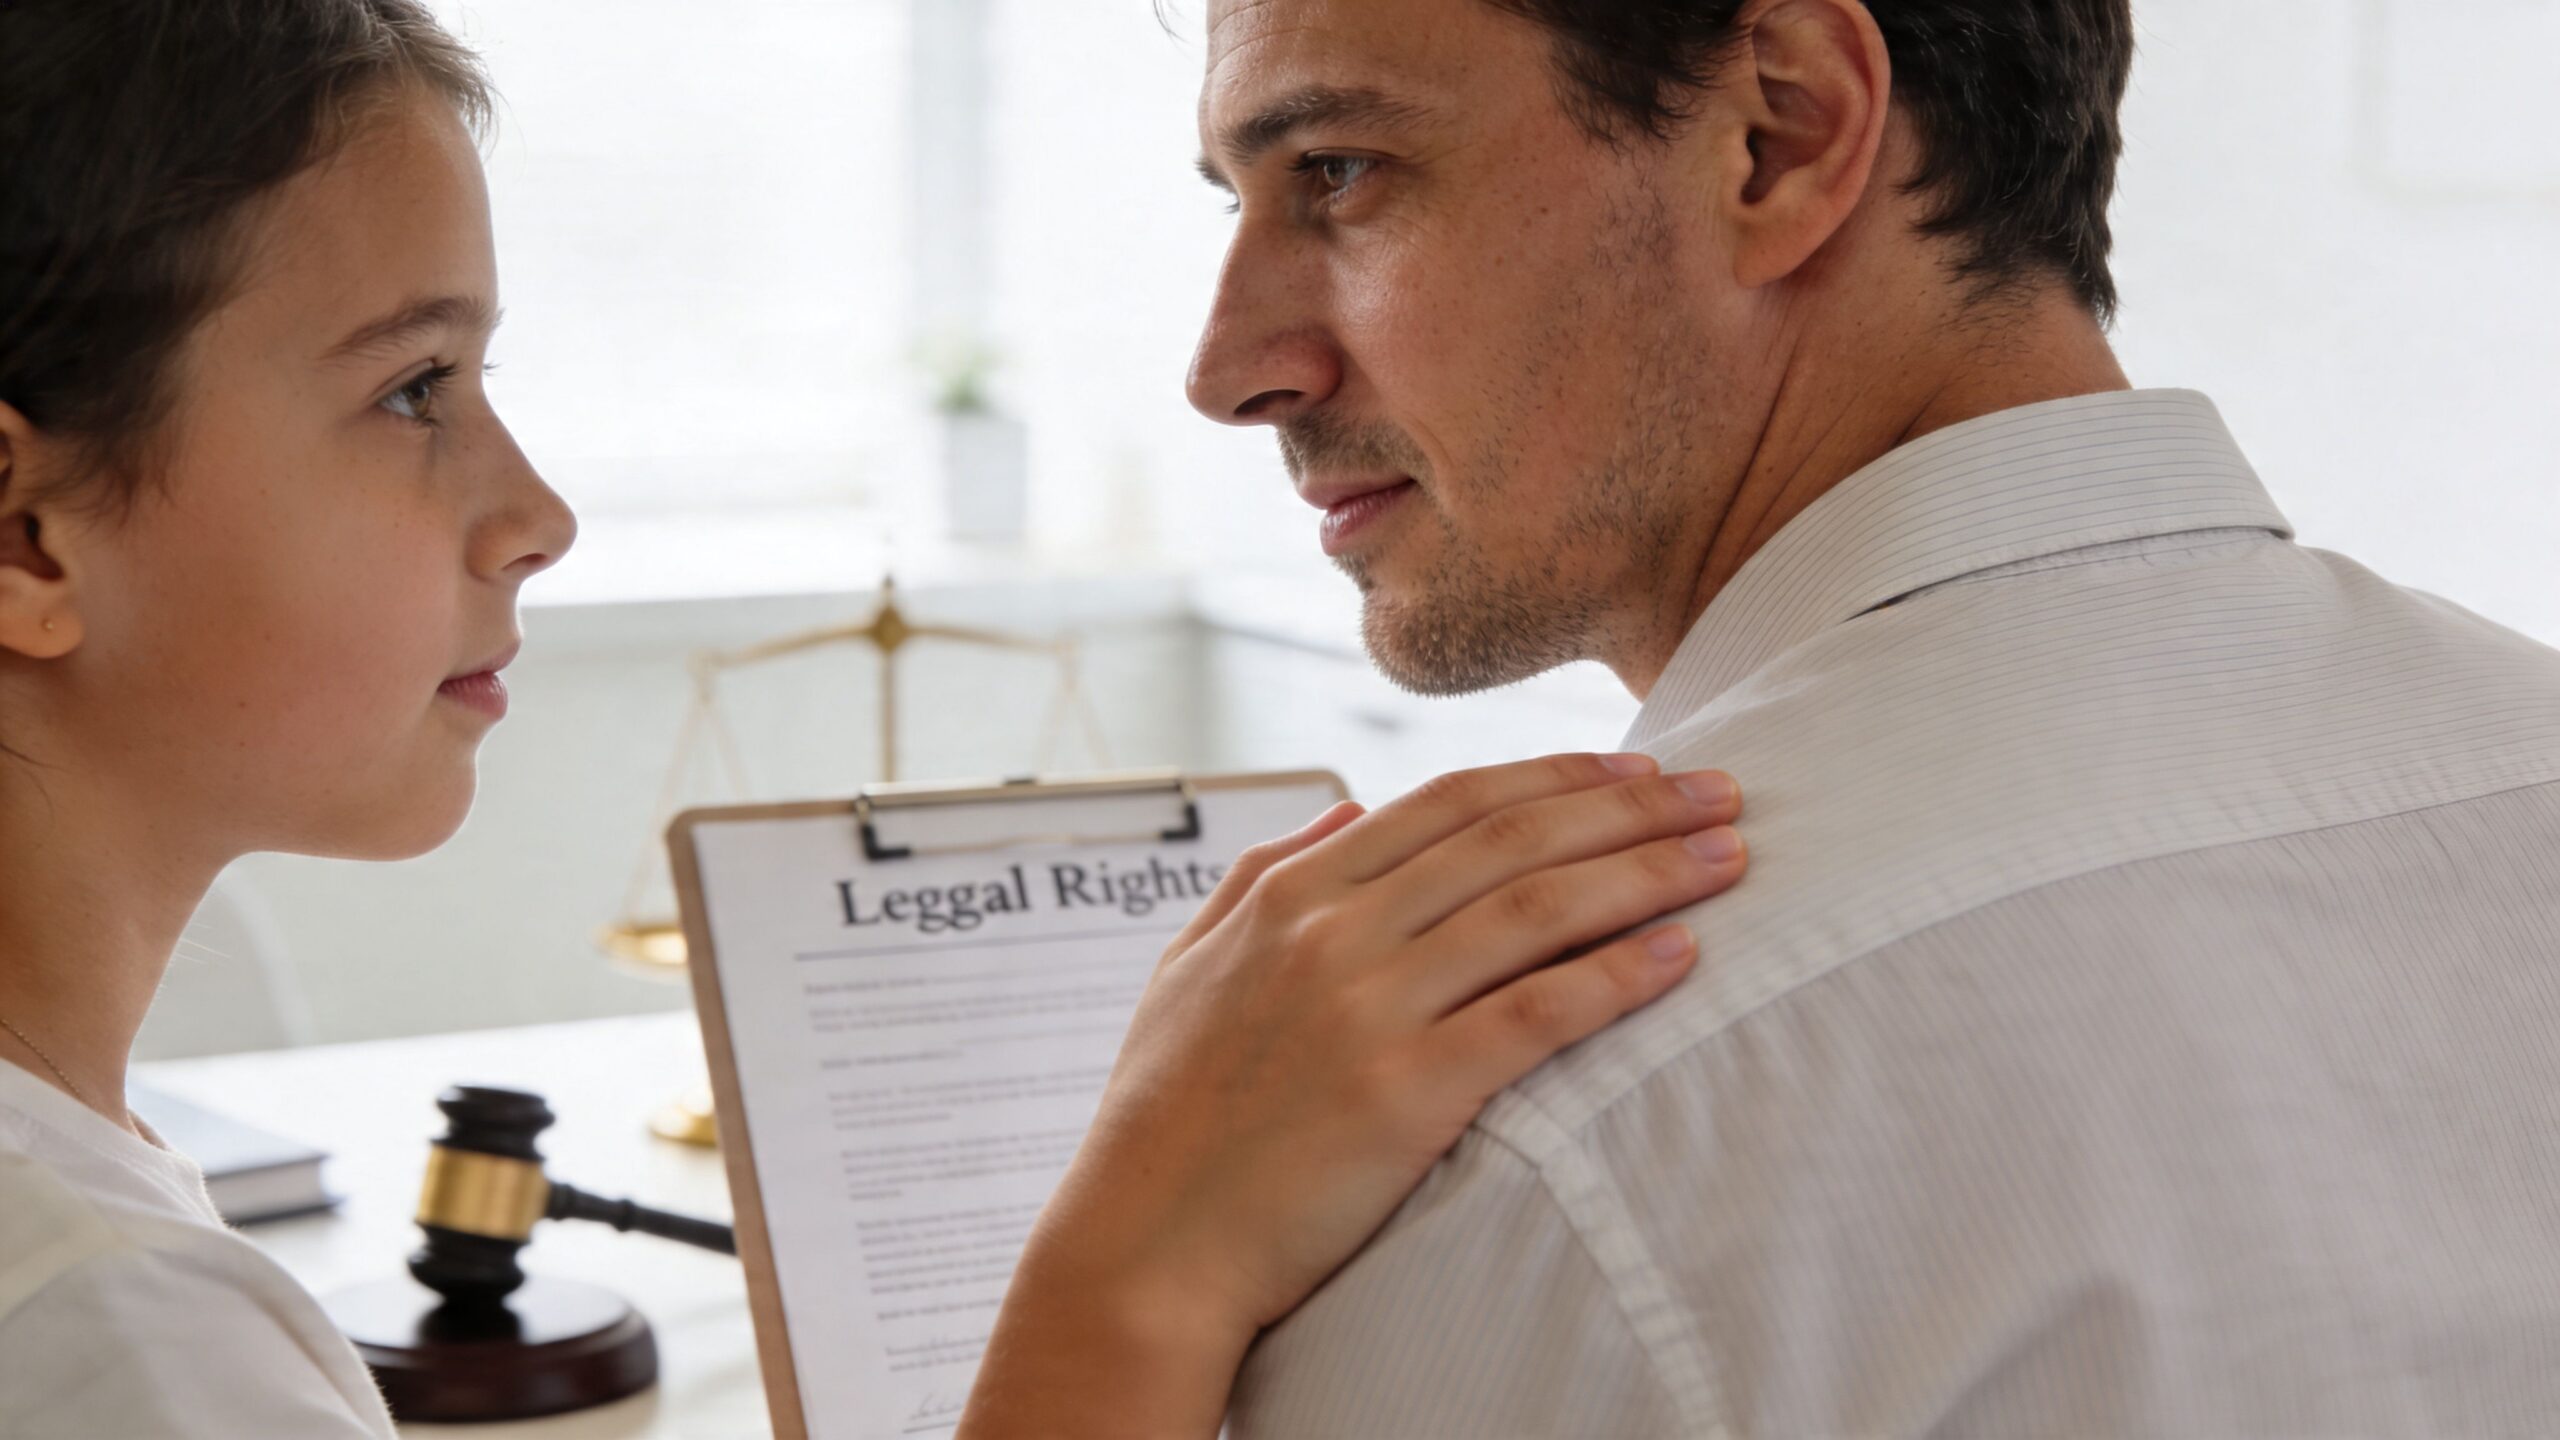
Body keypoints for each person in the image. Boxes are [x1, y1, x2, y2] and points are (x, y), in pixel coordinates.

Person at [0, 3, 1752, 1435]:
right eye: (412, 390)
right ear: (26, 538)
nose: (535, 512)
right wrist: (1137, 1271)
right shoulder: (117, 1335)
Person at [1183, 0, 2560, 1435]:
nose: (1226, 368)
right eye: (1238, 200)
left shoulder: (1542, 1141)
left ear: (1782, 132)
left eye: (1338, 171)